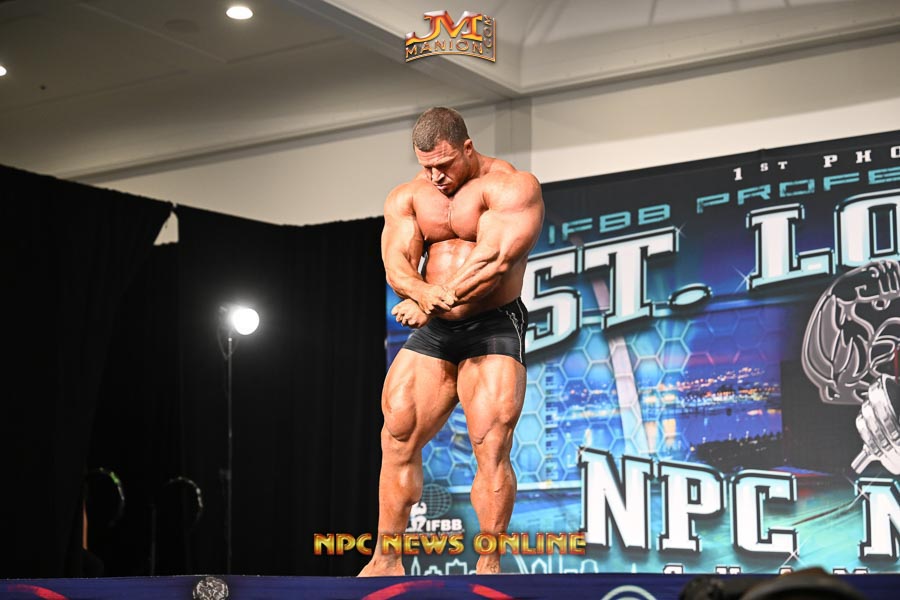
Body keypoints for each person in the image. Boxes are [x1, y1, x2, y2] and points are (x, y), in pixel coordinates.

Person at [359, 107, 544, 576]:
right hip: (437, 326)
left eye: (444, 164)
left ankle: (488, 563)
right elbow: (396, 263)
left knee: (489, 443)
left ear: (467, 147)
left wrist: (432, 300)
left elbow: (494, 261)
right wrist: (422, 295)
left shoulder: (511, 186)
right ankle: (386, 560)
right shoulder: (409, 196)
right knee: (397, 431)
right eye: (427, 167)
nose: (436, 176)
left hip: (493, 323)